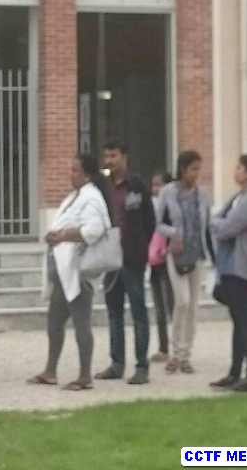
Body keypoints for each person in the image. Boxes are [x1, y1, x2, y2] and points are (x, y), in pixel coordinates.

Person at [27, 154, 111, 391]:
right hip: (64, 273)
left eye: (75, 170)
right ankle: (50, 371)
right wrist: (54, 235)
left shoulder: (92, 198)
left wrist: (63, 235)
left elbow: (94, 230)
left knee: (81, 323)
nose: (70, 174)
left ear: (87, 174)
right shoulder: (75, 197)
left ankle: (85, 376)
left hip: (79, 273)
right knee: (54, 322)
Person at [96, 141, 154, 385]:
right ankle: (117, 364)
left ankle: (142, 366)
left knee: (138, 311)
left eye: (114, 155)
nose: (109, 160)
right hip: (110, 258)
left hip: (132, 258)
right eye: (106, 156)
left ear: (124, 157)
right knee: (114, 312)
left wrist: (140, 247)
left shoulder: (136, 185)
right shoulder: (101, 186)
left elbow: (150, 220)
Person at [209, 155, 247, 393]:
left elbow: (227, 227)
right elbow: (217, 221)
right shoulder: (236, 197)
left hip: (242, 267)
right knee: (237, 322)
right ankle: (234, 372)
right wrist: (219, 225)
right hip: (228, 267)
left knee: (246, 321)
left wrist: (219, 226)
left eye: (240, 167)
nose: (236, 171)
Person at [156, 150, 212, 375]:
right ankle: (175, 351)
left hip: (197, 255)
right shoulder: (168, 192)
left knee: (193, 306)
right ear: (182, 169)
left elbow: (207, 227)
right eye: (193, 169)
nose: (196, 174)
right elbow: (159, 223)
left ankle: (185, 355)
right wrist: (174, 234)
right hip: (176, 254)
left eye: (199, 169)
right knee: (182, 301)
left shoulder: (203, 195)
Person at [148, 171, 174, 363]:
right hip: (154, 262)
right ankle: (163, 348)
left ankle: (178, 348)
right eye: (154, 185)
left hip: (168, 261)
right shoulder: (150, 207)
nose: (156, 189)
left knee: (171, 305)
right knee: (159, 308)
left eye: (159, 184)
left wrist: (168, 249)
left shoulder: (171, 207)